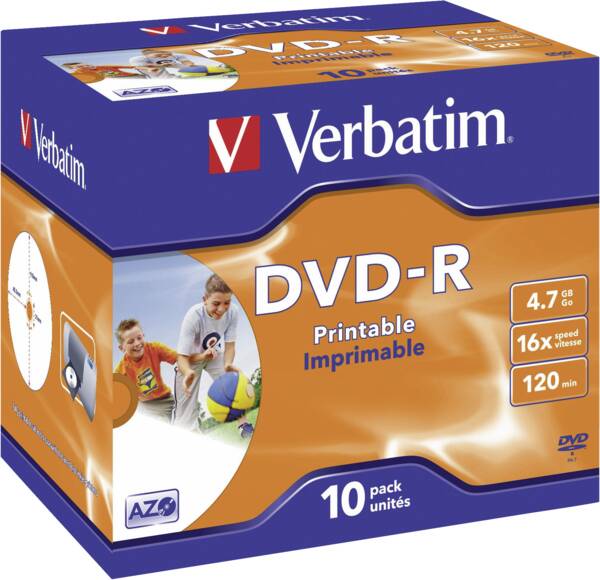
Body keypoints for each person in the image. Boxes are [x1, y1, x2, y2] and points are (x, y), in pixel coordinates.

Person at [173, 274, 253, 438]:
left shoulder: (233, 312)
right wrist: (188, 372)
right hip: (190, 361)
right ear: (205, 299)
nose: (222, 309)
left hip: (213, 355)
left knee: (233, 384)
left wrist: (228, 364)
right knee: (185, 413)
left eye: (226, 303)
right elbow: (182, 357)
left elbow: (230, 345)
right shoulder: (193, 316)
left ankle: (244, 426)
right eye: (216, 303)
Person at [114, 319, 177, 423]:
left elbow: (179, 358)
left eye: (139, 338)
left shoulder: (154, 349)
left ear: (143, 336)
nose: (137, 343)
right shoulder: (122, 369)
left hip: (164, 401)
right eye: (130, 342)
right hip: (144, 407)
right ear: (122, 348)